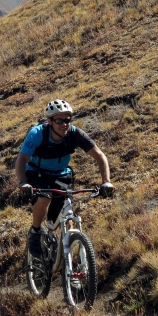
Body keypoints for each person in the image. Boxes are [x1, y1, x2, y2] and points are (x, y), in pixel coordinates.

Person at [15, 99, 113, 257]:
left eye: (67, 120)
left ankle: (70, 261)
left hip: (61, 174)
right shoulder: (37, 134)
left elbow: (100, 156)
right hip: (36, 172)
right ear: (50, 121)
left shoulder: (75, 134)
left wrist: (106, 182)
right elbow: (21, 159)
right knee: (45, 197)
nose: (64, 124)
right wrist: (22, 183)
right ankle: (35, 231)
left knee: (68, 212)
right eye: (59, 120)